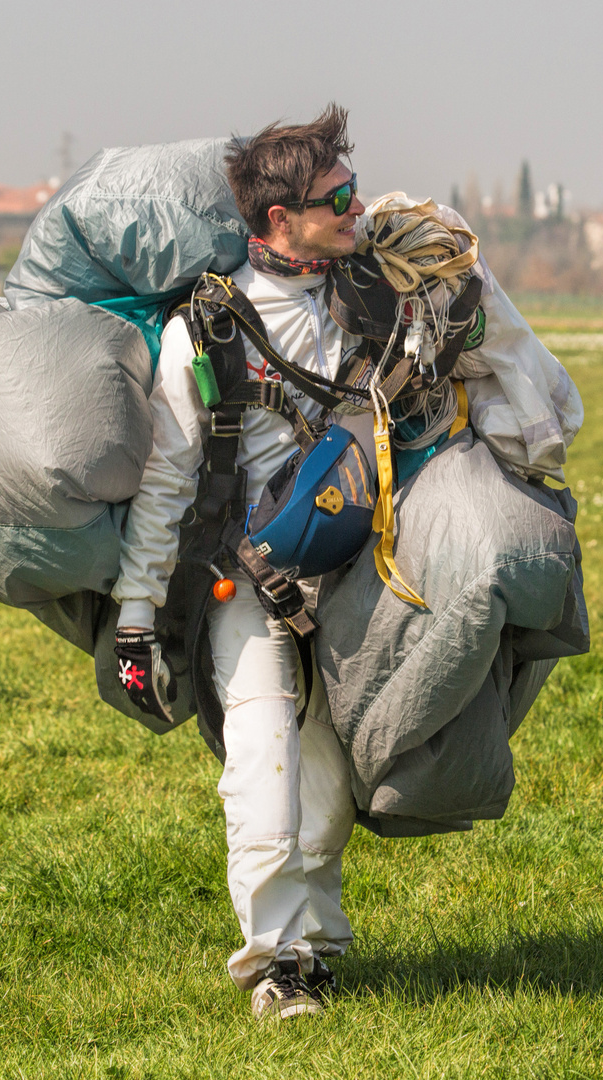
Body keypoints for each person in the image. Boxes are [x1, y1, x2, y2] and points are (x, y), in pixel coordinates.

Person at [111, 105, 367, 1021]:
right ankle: (276, 965)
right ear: (273, 222)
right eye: (331, 196)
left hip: (357, 577)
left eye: (350, 187)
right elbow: (165, 479)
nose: (352, 203)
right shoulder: (208, 331)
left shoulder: (371, 301)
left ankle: (318, 942)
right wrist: (136, 619)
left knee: (334, 780)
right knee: (265, 766)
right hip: (247, 582)